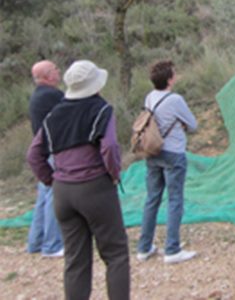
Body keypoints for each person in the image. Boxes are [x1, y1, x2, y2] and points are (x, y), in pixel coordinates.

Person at [26, 60, 129, 300]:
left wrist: (51, 180)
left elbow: (33, 154)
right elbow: (110, 147)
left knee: (75, 260)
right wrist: (113, 174)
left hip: (63, 192)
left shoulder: (54, 115)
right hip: (95, 186)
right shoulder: (101, 109)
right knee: (115, 254)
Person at [137, 60, 198, 264]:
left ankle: (144, 247)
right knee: (174, 200)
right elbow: (193, 124)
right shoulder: (175, 99)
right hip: (173, 152)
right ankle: (172, 249)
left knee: (152, 199)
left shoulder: (150, 97)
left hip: (153, 152)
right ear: (170, 79)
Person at [27, 60, 65, 258]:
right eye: (55, 69)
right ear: (48, 75)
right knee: (53, 196)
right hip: (53, 152)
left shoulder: (38, 96)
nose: (59, 72)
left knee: (43, 197)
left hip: (42, 153)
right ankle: (51, 244)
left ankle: (36, 241)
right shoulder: (52, 95)